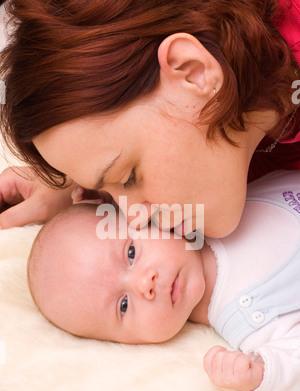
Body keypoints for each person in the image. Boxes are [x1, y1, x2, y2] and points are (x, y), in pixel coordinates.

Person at [0, 0, 299, 237]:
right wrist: (71, 182)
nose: (134, 217)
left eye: (129, 177)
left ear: (194, 72)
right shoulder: (231, 140)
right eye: (110, 191)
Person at [28, 170, 300, 391]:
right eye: (123, 305)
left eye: (131, 254)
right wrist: (263, 373)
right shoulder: (249, 318)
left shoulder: (207, 202)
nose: (145, 285)